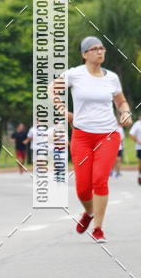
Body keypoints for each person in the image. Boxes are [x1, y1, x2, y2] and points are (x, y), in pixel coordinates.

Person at [52, 36, 132, 243]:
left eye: (102, 48)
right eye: (94, 49)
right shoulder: (74, 74)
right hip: (81, 136)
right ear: (84, 54)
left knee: (99, 180)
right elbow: (51, 89)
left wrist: (125, 113)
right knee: (82, 189)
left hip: (107, 135)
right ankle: (89, 213)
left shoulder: (111, 78)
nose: (100, 52)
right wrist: (63, 111)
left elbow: (121, 101)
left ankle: (98, 228)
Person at [129, 114, 141, 186]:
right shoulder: (137, 124)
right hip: (140, 147)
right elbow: (131, 134)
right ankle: (140, 176)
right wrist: (138, 141)